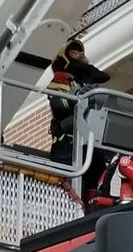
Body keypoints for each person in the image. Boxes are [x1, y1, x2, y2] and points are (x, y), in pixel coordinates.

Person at [47, 39, 111, 201]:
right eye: (74, 52)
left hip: (88, 143)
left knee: (96, 173)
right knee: (68, 187)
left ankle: (91, 207)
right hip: (67, 145)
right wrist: (78, 96)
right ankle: (73, 207)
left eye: (81, 52)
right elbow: (58, 103)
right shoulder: (61, 78)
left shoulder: (84, 81)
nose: (80, 54)